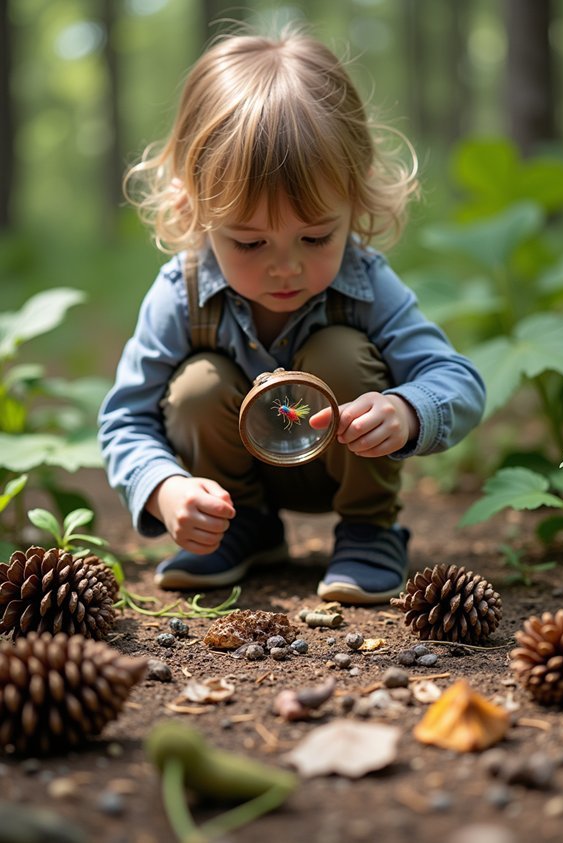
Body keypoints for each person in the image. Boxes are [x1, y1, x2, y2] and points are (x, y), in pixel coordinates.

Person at [98, 25, 485, 605]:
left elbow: (460, 382)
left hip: (340, 463)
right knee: (196, 385)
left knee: (341, 353)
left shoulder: (365, 282)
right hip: (230, 489)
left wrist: (406, 409)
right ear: (195, 209)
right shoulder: (182, 292)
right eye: (250, 244)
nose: (286, 268)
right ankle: (245, 529)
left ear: (355, 202)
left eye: (315, 237)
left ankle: (369, 530)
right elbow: (125, 418)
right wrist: (166, 489)